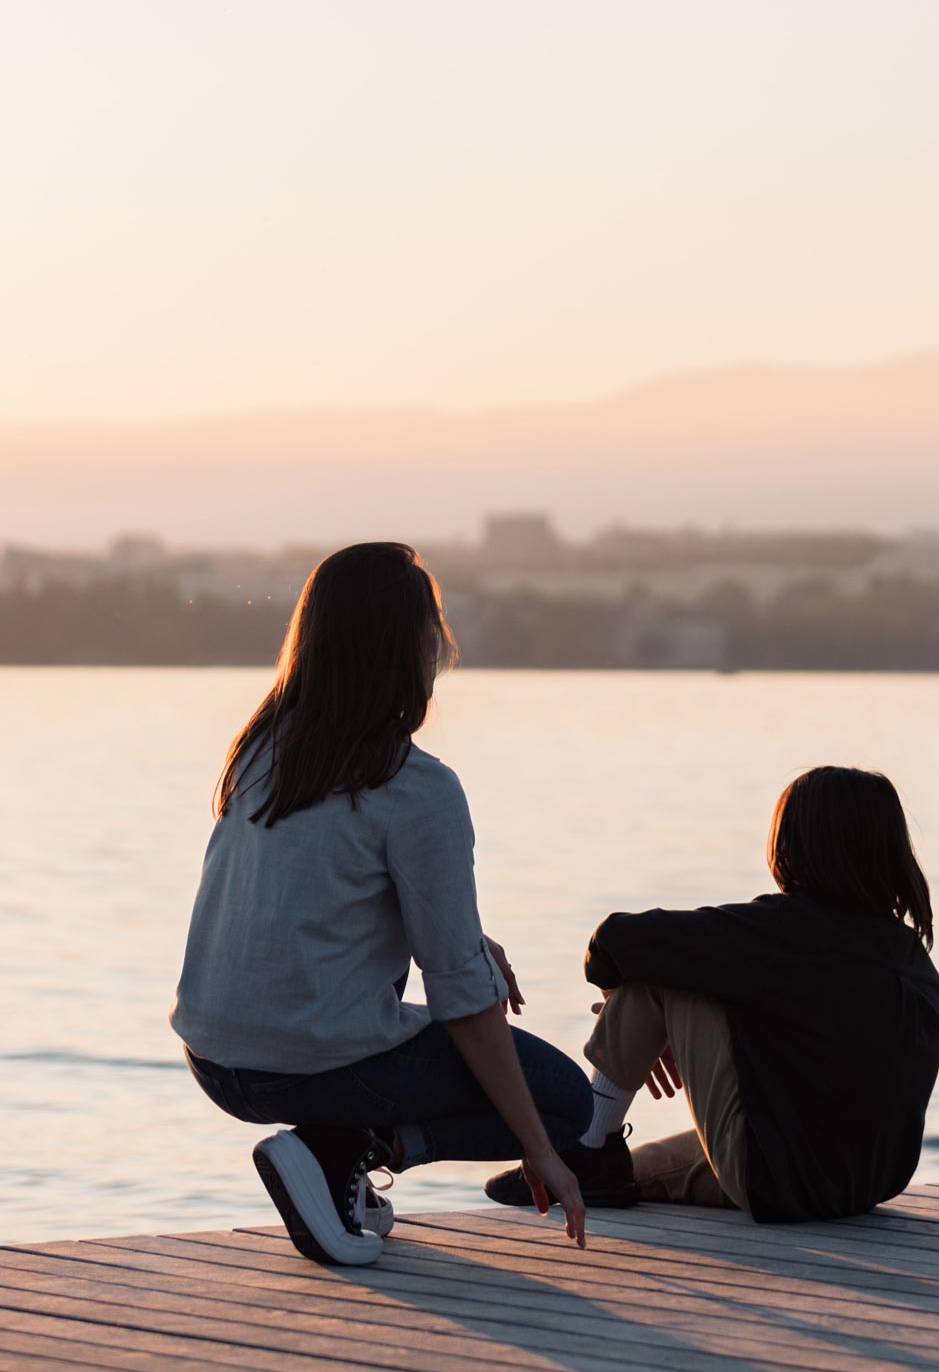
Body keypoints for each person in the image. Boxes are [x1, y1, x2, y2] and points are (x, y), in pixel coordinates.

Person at [171, 541, 621, 1268]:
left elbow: (323, 899)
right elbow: (465, 1002)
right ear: (410, 646)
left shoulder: (261, 751)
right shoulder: (414, 789)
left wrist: (470, 941)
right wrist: (543, 1153)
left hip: (214, 1059)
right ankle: (341, 1149)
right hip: (307, 1064)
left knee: (431, 1022)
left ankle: (338, 1163)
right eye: (433, 624)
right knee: (567, 1105)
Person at [484, 765, 939, 1223]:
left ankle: (590, 1146)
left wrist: (624, 1004)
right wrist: (653, 1027)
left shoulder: (780, 932)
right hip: (864, 1185)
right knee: (645, 1171)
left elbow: (613, 940)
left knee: (663, 966)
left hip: (776, 1180)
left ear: (793, 842)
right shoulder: (912, 960)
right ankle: (584, 1170)